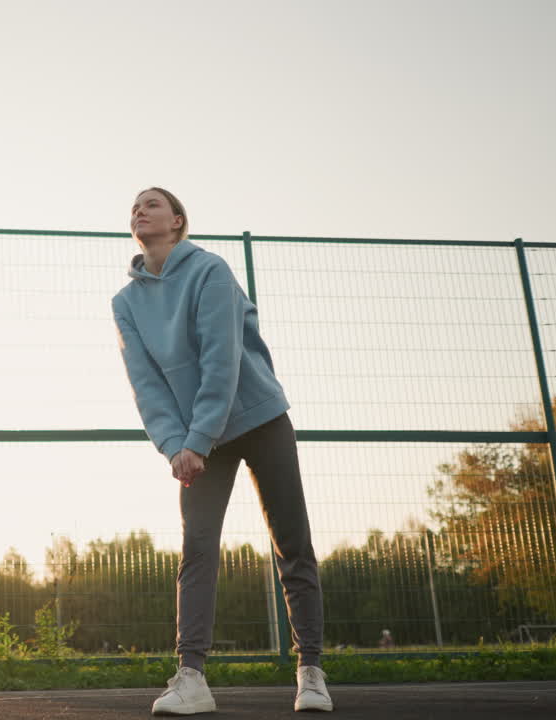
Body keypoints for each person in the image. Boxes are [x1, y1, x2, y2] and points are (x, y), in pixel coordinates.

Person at [112, 187, 333, 715]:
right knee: (198, 548)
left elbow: (222, 361)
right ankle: (191, 678)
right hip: (195, 440)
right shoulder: (126, 303)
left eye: (152, 204)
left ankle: (311, 672)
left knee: (291, 542)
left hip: (257, 417)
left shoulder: (210, 271)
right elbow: (146, 385)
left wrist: (196, 440)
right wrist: (175, 448)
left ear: (178, 220)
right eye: (134, 207)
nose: (139, 211)